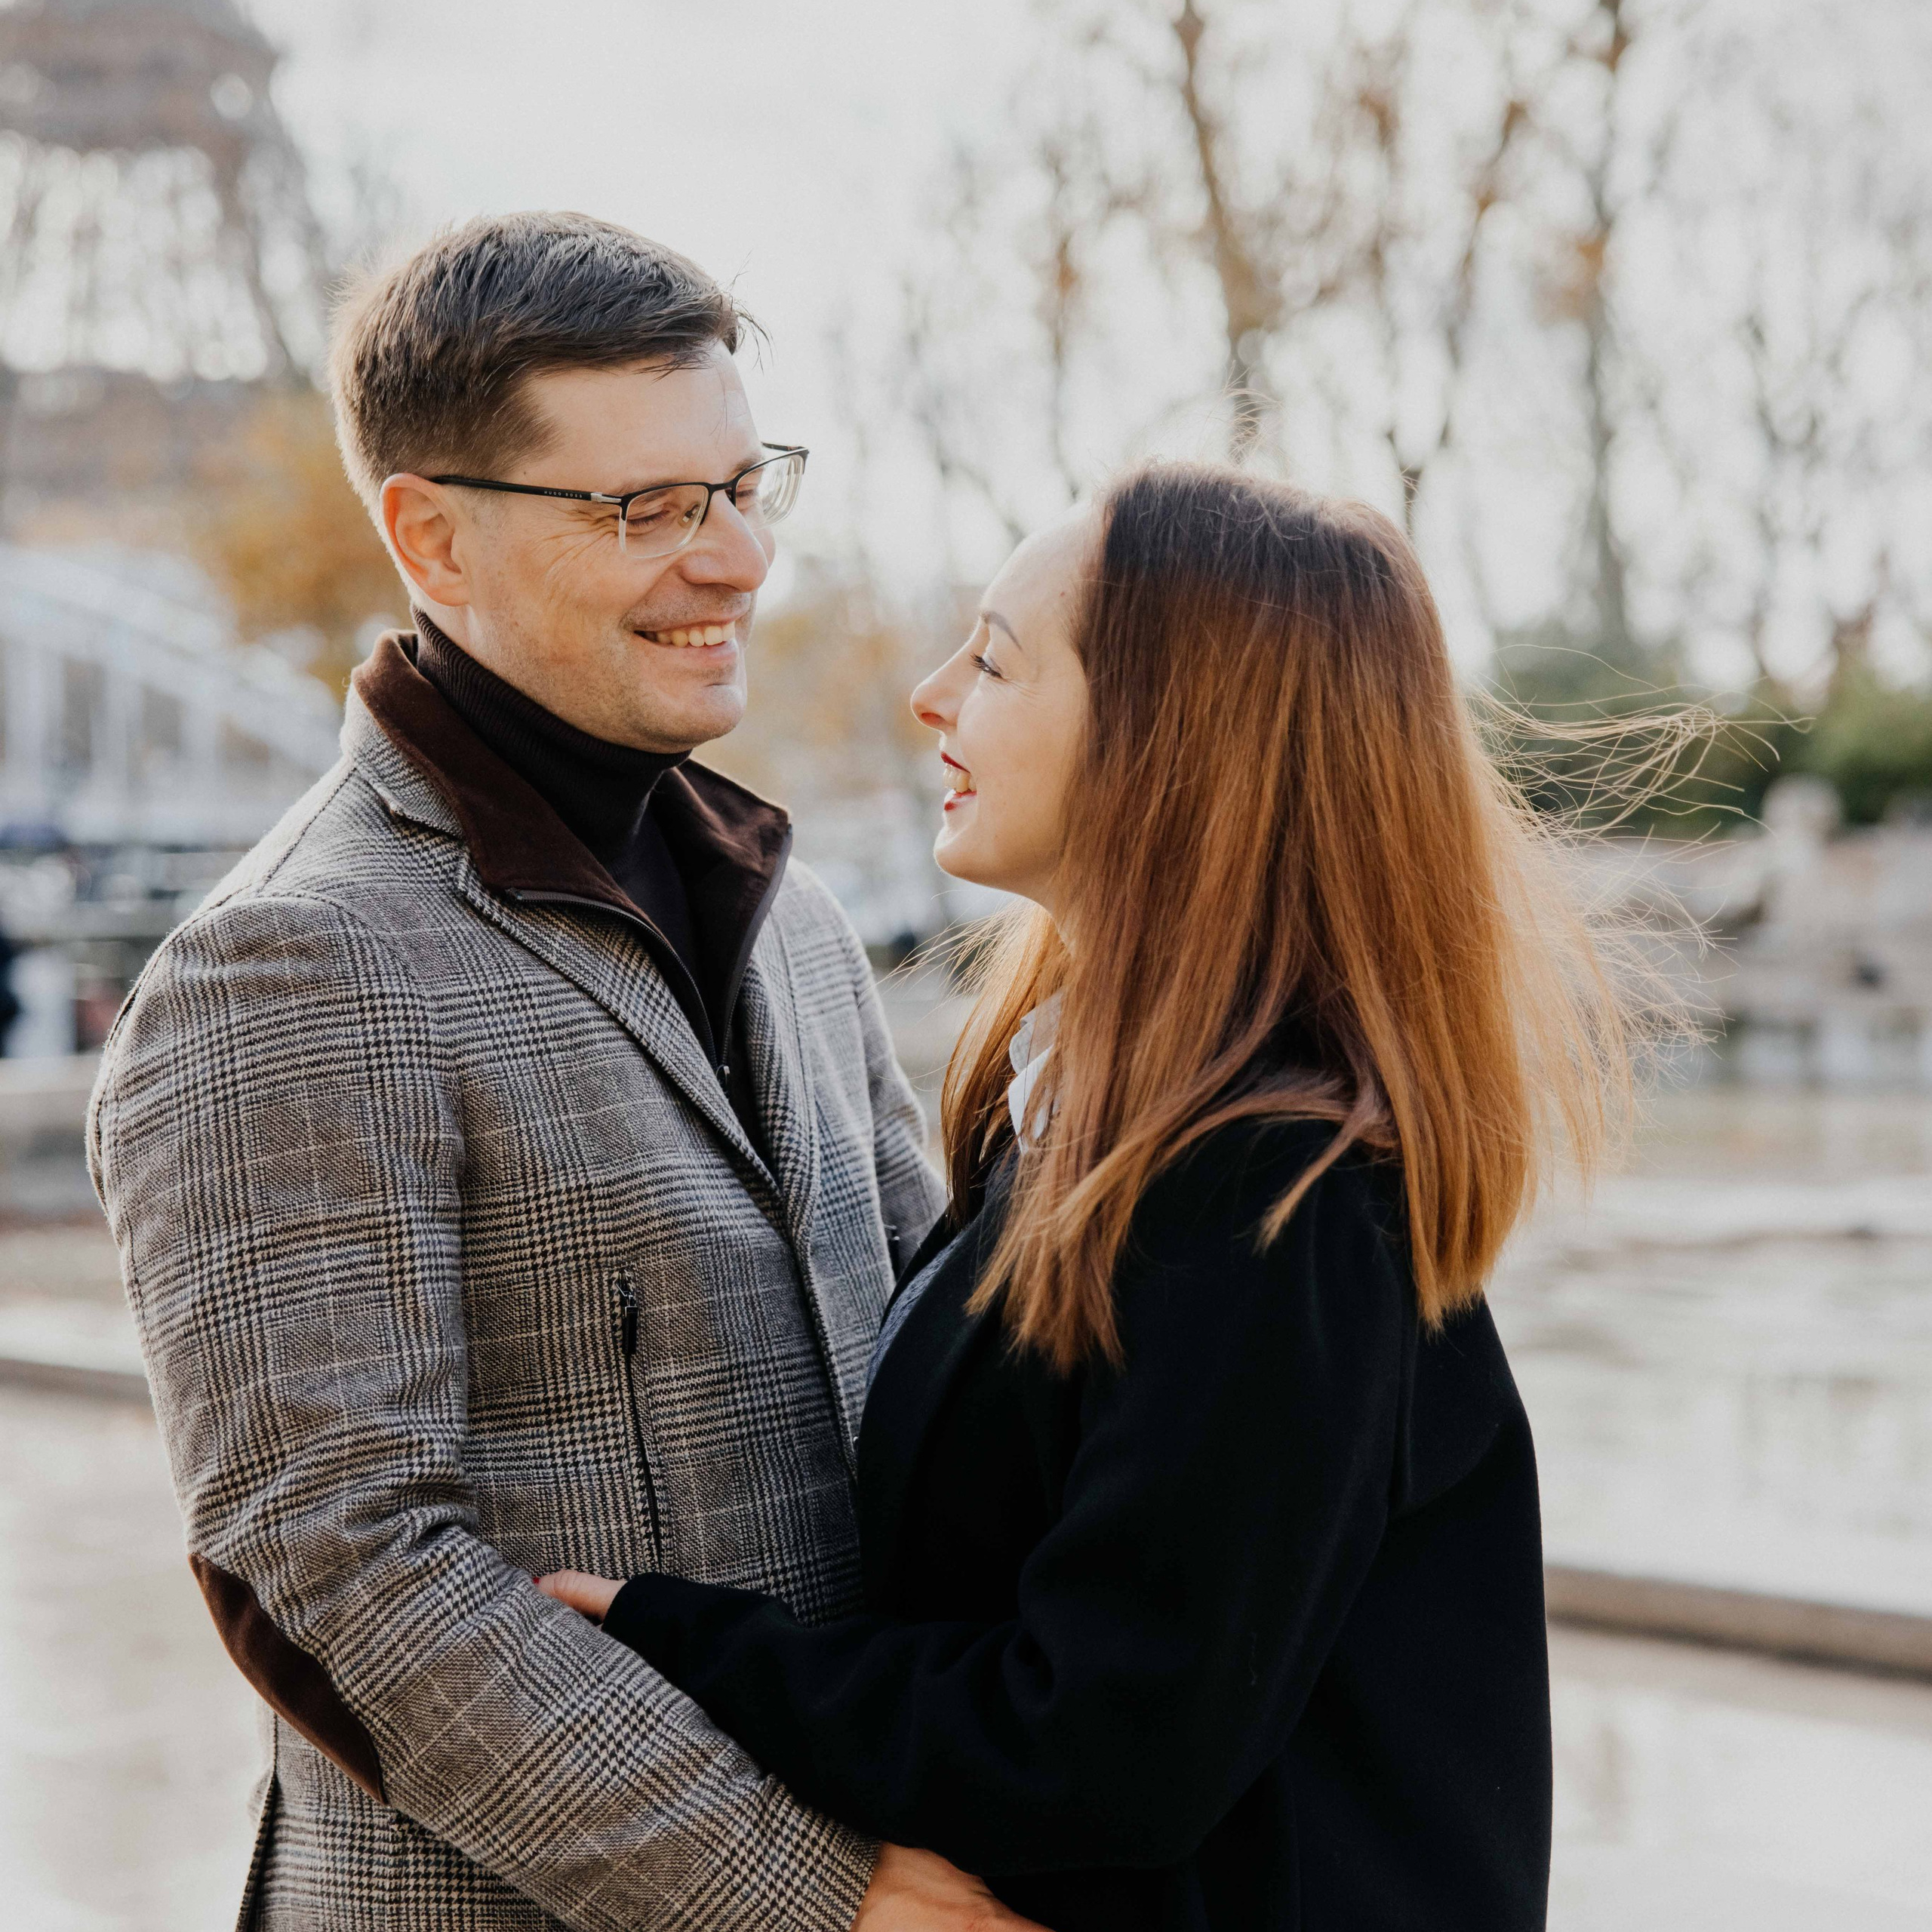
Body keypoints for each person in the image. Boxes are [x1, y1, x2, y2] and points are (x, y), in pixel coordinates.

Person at [540, 463, 1656, 1930]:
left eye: (995, 657)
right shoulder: (1083, 1111)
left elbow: (1100, 1735)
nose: (935, 695)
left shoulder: (1277, 1192)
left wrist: (682, 1638)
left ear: (1170, 735)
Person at [88, 213, 1036, 1931]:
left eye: (744, 485)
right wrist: (816, 1893)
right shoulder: (284, 968)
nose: (737, 560)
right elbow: (340, 1574)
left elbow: (943, 1386)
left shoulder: (800, 921)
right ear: (430, 537)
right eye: (643, 509)